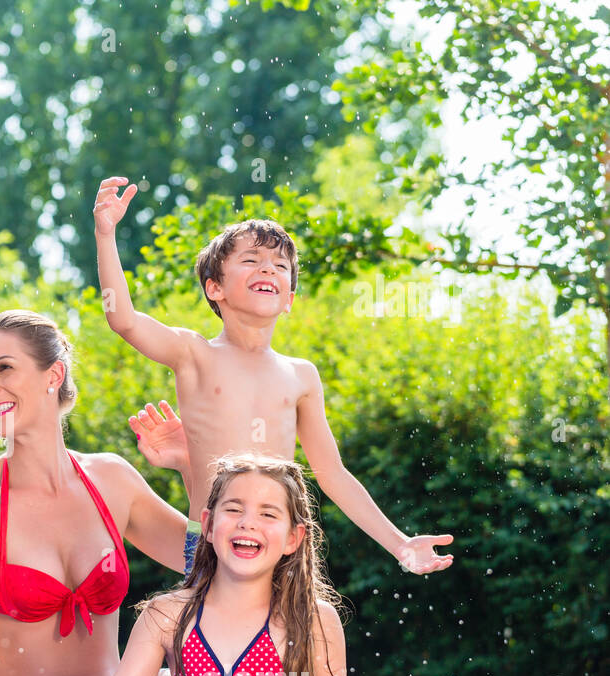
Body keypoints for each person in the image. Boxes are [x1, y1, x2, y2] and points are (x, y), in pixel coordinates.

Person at [93, 178, 454, 576]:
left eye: (280, 265)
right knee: (210, 636)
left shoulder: (300, 375)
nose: (267, 267)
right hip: (211, 544)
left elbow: (332, 473)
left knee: (293, 636)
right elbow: (122, 320)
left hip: (281, 547)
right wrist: (105, 234)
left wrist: (400, 544)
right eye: (250, 260)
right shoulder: (193, 353)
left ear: (289, 301)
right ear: (215, 288)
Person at [0, 309, 191, 676]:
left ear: (53, 375)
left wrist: (189, 468)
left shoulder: (112, 479)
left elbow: (206, 561)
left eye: (4, 369)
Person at [71, 453, 353, 676]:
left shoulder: (310, 621)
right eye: (234, 509)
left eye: (268, 514)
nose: (248, 524)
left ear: (293, 538)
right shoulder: (168, 616)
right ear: (207, 523)